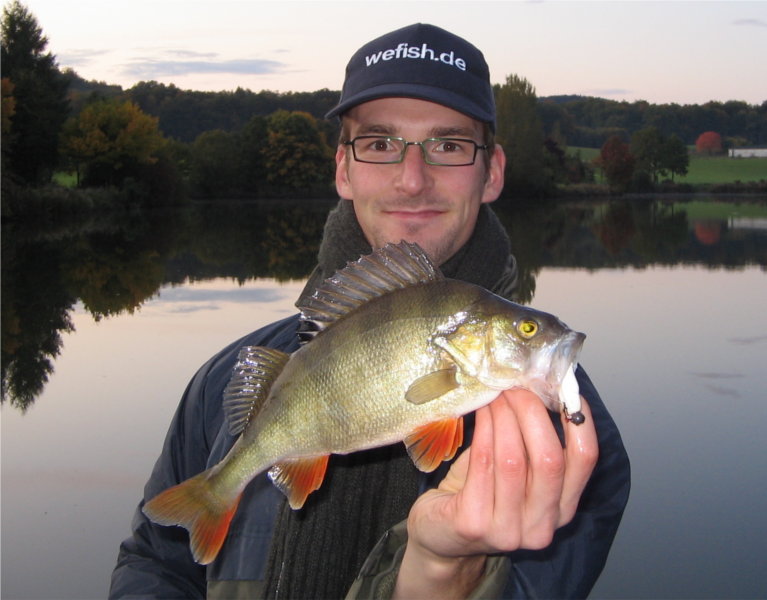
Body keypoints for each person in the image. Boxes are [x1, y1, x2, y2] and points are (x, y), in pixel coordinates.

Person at [110, 23, 630, 600]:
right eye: (381, 143)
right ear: (343, 169)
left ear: (494, 172)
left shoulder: (573, 438)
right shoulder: (222, 381)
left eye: (449, 145)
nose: (413, 180)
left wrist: (445, 574)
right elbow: (153, 569)